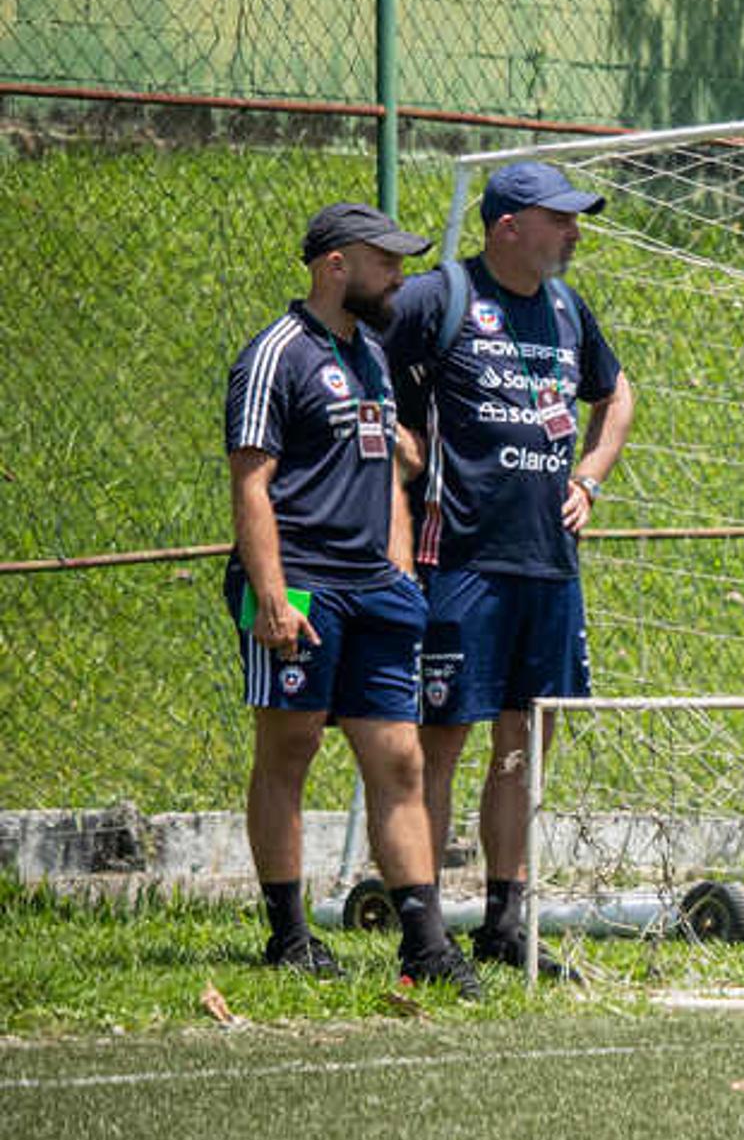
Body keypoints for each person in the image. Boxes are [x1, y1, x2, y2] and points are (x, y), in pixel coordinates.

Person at [383, 162, 634, 979]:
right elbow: (356, 366)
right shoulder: (439, 296)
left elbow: (617, 394)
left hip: (550, 567)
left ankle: (505, 920)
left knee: (525, 743)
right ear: (508, 227)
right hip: (460, 560)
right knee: (441, 743)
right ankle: (424, 930)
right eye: (560, 218)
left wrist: (589, 479)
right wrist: (403, 449)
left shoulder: (567, 307)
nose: (575, 231)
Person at [225, 203, 480, 999]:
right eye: (386, 261)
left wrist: (400, 567)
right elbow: (250, 482)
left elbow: (392, 467)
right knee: (290, 748)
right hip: (297, 579)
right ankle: (289, 933)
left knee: (400, 756)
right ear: (336, 264)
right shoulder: (275, 354)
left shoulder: (370, 351)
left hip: (375, 588)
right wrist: (271, 593)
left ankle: (426, 943)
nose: (400, 275)